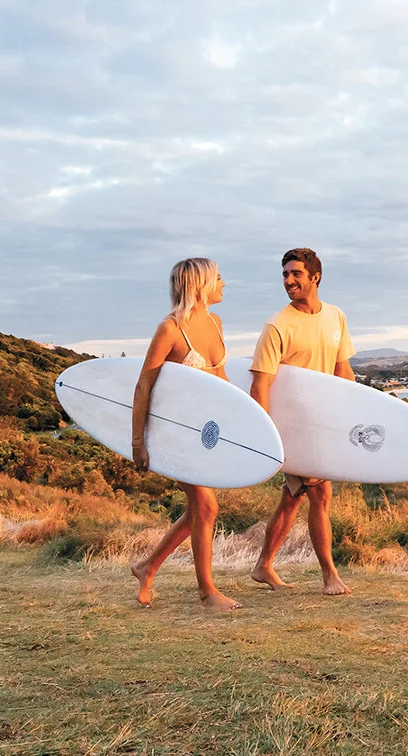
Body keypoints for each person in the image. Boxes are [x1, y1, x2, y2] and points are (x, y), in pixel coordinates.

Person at [129, 257, 242, 610]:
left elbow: (221, 381)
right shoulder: (170, 329)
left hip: (205, 432)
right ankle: (207, 591)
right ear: (200, 284)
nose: (224, 283)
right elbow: (144, 385)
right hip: (173, 430)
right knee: (206, 506)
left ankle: (147, 567)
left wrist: (240, 425)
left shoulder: (216, 322)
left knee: (200, 509)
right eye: (218, 278)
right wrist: (137, 442)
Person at [249, 247, 355, 595]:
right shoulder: (278, 326)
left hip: (322, 423)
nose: (289, 281)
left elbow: (342, 370)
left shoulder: (336, 317)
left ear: (315, 277)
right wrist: (266, 437)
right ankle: (329, 575)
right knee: (320, 493)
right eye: (284, 275)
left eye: (295, 274)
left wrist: (353, 416)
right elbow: (260, 384)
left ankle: (264, 565)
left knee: (293, 497)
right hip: (292, 426)